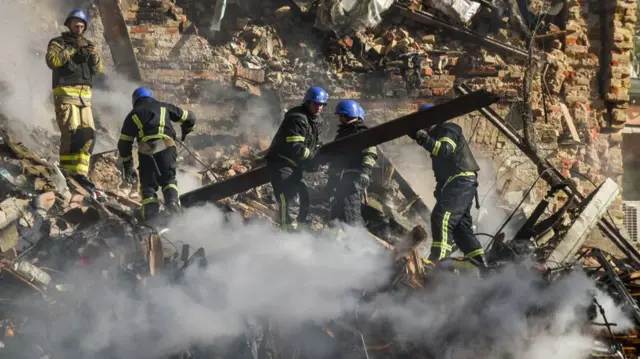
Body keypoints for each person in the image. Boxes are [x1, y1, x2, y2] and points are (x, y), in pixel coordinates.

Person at [408, 103, 488, 270]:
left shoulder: (449, 129)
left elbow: (444, 150)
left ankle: (438, 261)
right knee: (461, 229)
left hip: (461, 180)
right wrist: (440, 190)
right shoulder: (439, 133)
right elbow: (443, 169)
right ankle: (482, 266)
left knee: (441, 218)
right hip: (459, 182)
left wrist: (420, 137)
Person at [45, 9, 103, 196]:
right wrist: (71, 50)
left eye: (81, 24)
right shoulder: (58, 42)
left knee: (87, 135)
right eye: (75, 23)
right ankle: (66, 171)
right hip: (66, 95)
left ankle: (81, 174)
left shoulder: (89, 45)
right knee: (71, 133)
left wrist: (93, 55)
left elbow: (97, 70)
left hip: (85, 98)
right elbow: (52, 61)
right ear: (69, 24)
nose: (79, 27)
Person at [117, 87, 196, 222]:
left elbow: (124, 144)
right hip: (166, 145)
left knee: (148, 186)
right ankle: (173, 208)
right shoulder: (164, 107)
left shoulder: (133, 115)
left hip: (146, 150)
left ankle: (150, 217)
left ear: (134, 101)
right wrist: (186, 129)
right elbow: (190, 117)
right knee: (168, 180)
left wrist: (128, 166)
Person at [266, 86, 328, 231]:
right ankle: (287, 231)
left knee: (304, 195)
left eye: (322, 104)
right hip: (281, 163)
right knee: (287, 199)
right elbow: (296, 147)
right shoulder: (297, 119)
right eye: (316, 104)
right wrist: (312, 157)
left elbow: (313, 144)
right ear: (307, 103)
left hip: (293, 165)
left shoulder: (312, 121)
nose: (319, 107)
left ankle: (300, 229)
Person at [327, 100, 377, 226]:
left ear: (347, 115)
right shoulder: (343, 133)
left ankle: (358, 241)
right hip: (341, 179)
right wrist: (332, 178)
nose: (340, 119)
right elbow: (336, 158)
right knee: (336, 213)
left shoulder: (361, 131)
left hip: (354, 178)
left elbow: (370, 152)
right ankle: (332, 240)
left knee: (351, 212)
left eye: (342, 116)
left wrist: (365, 172)